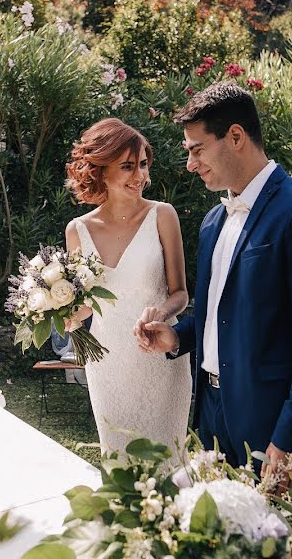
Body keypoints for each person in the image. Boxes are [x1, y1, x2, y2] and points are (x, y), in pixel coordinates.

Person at [134, 82, 292, 507]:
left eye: (197, 149)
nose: (190, 164)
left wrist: (291, 437)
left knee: (277, 543)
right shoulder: (212, 221)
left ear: (235, 137)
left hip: (272, 423)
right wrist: (176, 336)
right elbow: (219, 314)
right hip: (211, 414)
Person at [64, 118, 191, 458]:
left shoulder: (163, 215)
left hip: (160, 357)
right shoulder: (78, 230)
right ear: (100, 170)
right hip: (108, 363)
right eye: (127, 167)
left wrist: (161, 313)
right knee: (119, 464)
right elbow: (88, 303)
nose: (140, 177)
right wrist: (54, 311)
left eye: (143, 165)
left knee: (168, 463)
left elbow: (180, 292)